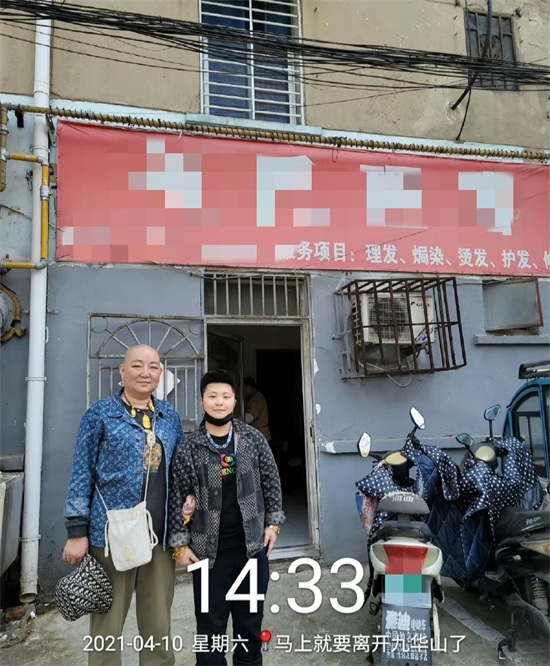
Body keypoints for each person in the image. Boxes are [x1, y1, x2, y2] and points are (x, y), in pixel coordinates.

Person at [62, 344, 195, 666]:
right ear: (122, 371)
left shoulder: (169, 417)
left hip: (159, 535)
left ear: (160, 373)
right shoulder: (100, 415)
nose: (145, 373)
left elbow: (179, 468)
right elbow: (81, 472)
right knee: (107, 621)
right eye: (137, 365)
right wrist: (76, 531)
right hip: (111, 535)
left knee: (158, 620)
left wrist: (188, 499)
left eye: (153, 366)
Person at [168, 369, 285, 666]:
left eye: (225, 396)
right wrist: (180, 545)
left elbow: (271, 482)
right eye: (212, 396)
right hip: (208, 557)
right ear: (202, 401)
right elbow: (176, 493)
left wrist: (273, 524)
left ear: (234, 401)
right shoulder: (190, 446)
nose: (219, 402)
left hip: (251, 551)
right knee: (210, 632)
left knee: (250, 629)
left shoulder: (252, 439)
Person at [243, 376, 271, 443]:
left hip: (261, 436)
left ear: (249, 387)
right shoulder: (254, 398)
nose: (243, 391)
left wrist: (236, 420)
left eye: (244, 388)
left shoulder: (257, 398)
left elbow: (250, 417)